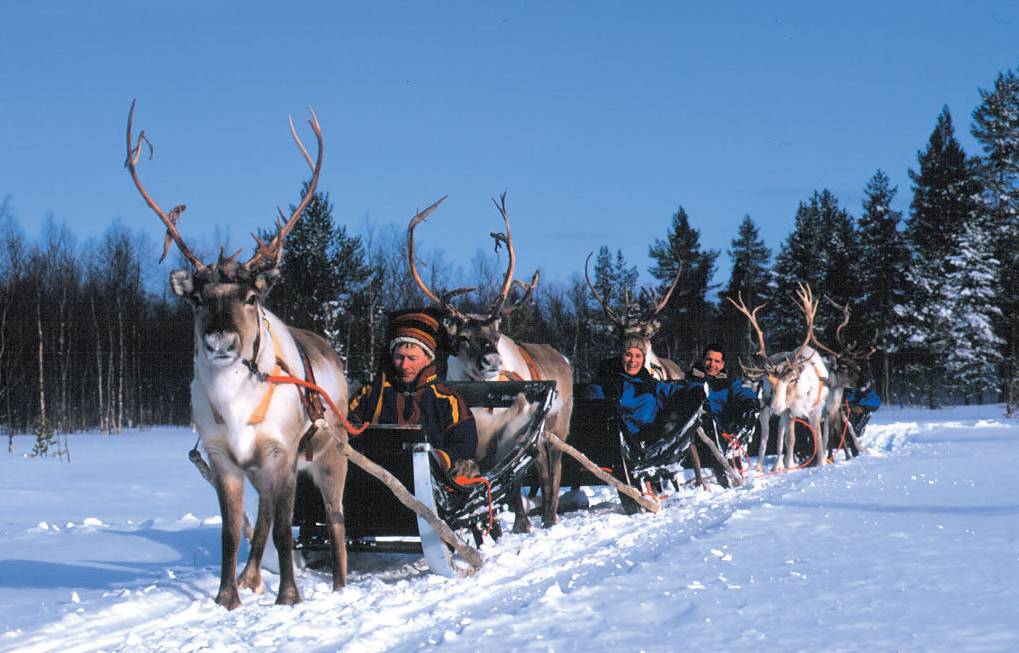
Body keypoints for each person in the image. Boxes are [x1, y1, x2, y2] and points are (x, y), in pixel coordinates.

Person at [349, 308, 480, 478]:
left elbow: (465, 443)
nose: (404, 365)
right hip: (374, 479)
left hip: (431, 480)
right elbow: (347, 429)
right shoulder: (370, 394)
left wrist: (441, 459)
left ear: (428, 358)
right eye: (399, 357)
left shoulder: (448, 400)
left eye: (412, 358)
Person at [587, 337, 694, 448]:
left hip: (647, 445)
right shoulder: (603, 384)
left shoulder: (650, 384)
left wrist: (699, 385)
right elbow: (596, 416)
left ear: (643, 359)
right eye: (628, 354)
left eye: (638, 356)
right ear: (621, 357)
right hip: (614, 445)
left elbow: (676, 390)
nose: (633, 360)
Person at [685, 343, 759, 484]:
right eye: (709, 359)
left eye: (717, 361)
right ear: (702, 360)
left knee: (749, 412)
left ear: (722, 364)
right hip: (697, 428)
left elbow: (742, 391)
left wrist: (750, 400)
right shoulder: (691, 380)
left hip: (723, 427)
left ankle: (735, 453)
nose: (712, 364)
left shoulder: (728, 382)